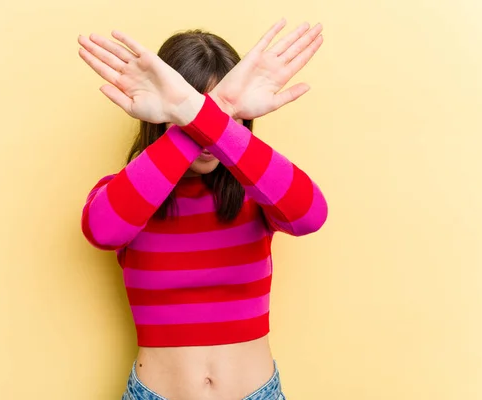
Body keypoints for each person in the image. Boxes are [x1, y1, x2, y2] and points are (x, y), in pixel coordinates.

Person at [77, 18, 327, 400]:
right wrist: (197, 119)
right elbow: (103, 231)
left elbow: (311, 215)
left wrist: (205, 115)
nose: (208, 130)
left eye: (223, 110)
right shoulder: (129, 191)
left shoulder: (257, 191)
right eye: (186, 110)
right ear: (161, 115)